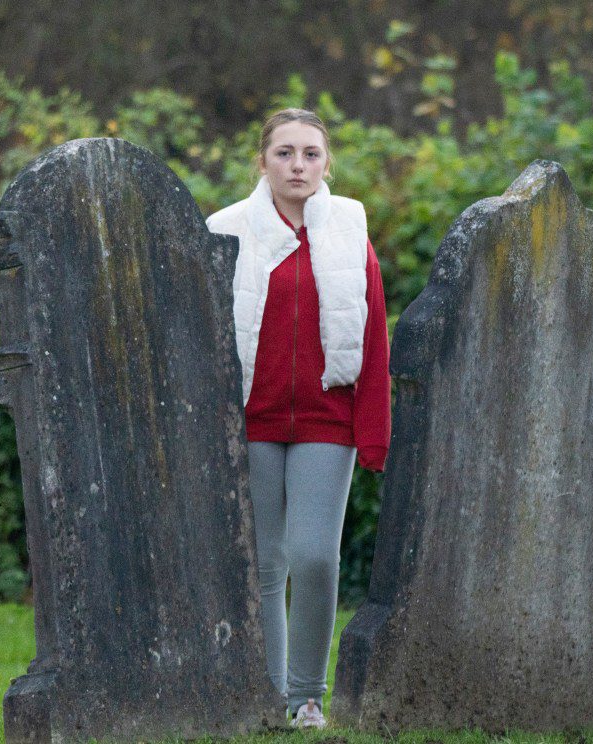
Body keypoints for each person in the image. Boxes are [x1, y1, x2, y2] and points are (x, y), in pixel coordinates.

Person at [206, 108, 391, 728]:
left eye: (310, 154)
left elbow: (373, 335)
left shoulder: (349, 227)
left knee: (312, 555)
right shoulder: (223, 229)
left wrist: (373, 431)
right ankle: (268, 695)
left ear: (326, 163)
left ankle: (307, 695)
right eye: (284, 153)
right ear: (263, 162)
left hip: (325, 421)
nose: (298, 166)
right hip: (247, 424)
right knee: (261, 566)